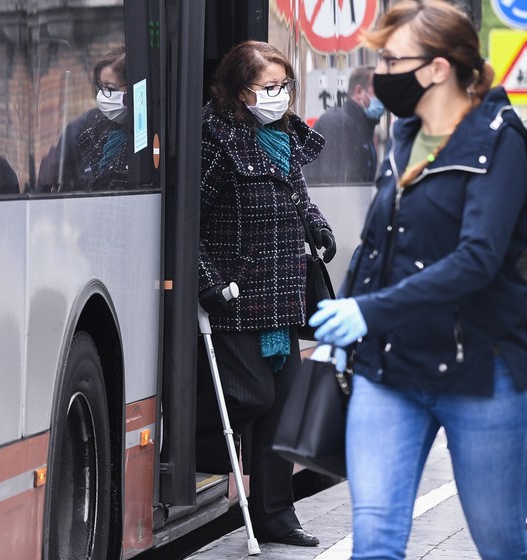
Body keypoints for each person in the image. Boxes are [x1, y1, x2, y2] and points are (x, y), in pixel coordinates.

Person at [309, 2, 527, 559]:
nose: (380, 72)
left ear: (436, 68)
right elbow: (381, 246)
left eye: (390, 59)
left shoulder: (500, 139)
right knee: (375, 543)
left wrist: (368, 312)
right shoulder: (404, 135)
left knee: (501, 542)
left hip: (479, 370)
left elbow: (477, 259)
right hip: (390, 368)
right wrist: (350, 318)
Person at [195, 40, 335, 548]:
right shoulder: (215, 140)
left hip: (283, 291)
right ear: (238, 92)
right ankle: (184, 444)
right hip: (237, 293)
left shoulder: (283, 138)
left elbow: (299, 199)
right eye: (268, 87)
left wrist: (317, 226)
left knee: (283, 409)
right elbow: (188, 220)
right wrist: (207, 281)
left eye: (284, 86)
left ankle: (278, 515)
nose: (279, 96)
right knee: (250, 394)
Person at [36, 46, 129, 192]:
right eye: (100, 88)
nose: (103, 96)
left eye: (110, 89)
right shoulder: (88, 128)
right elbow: (52, 179)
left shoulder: (145, 131)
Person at [304, 67, 383, 184]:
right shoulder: (339, 124)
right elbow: (337, 183)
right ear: (359, 91)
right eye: (378, 91)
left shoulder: (362, 124)